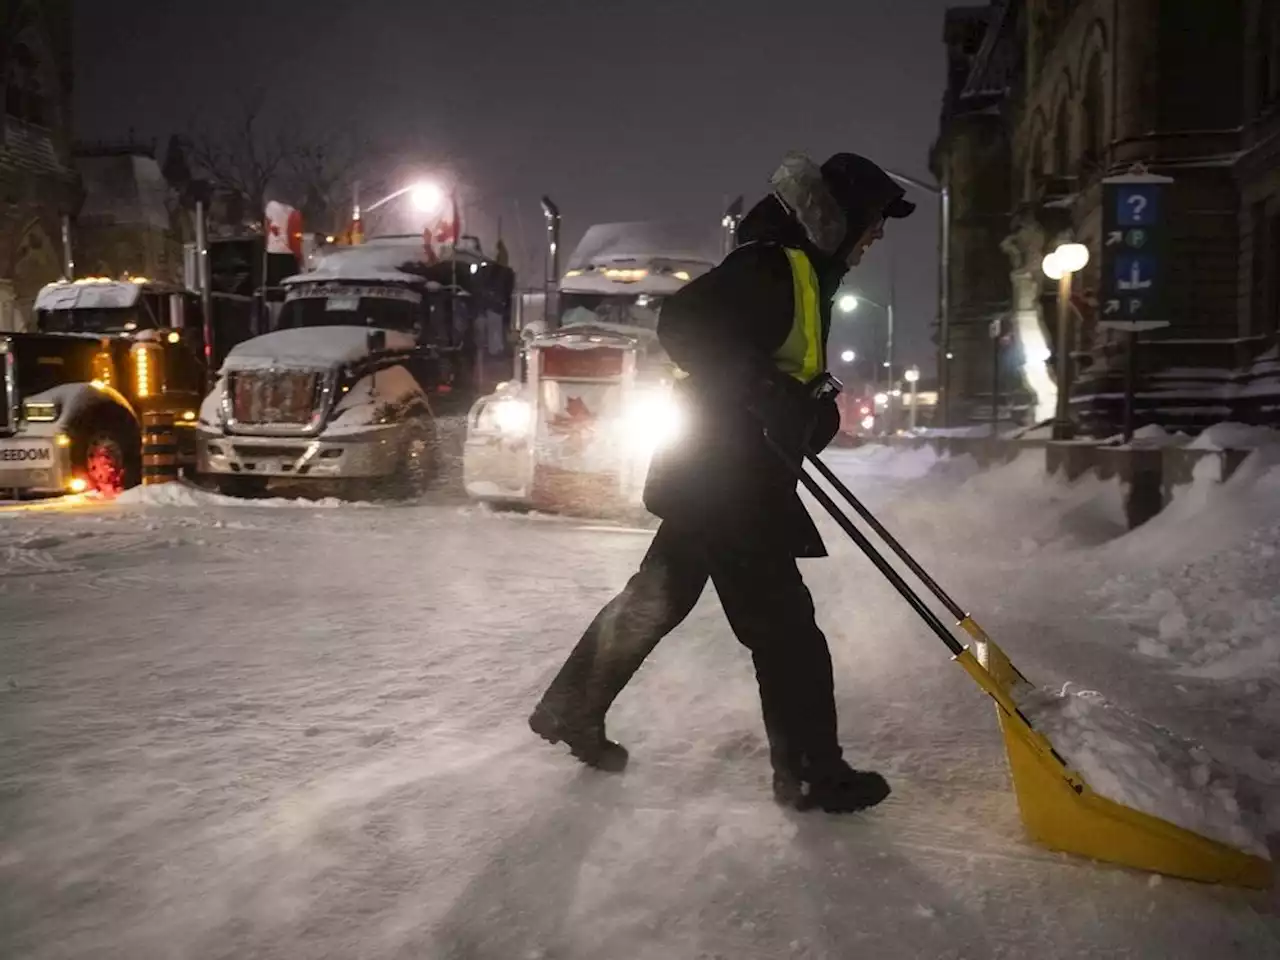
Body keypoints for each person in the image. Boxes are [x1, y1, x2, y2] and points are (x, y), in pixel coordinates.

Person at [529, 152, 915, 813]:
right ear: (840, 216)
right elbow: (686, 322)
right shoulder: (772, 263)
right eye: (874, 221)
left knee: (657, 598)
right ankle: (811, 773)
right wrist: (765, 391)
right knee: (786, 631)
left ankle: (572, 707)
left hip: (721, 472)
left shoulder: (804, 273)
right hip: (730, 481)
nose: (876, 236)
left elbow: (769, 369)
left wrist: (805, 406)